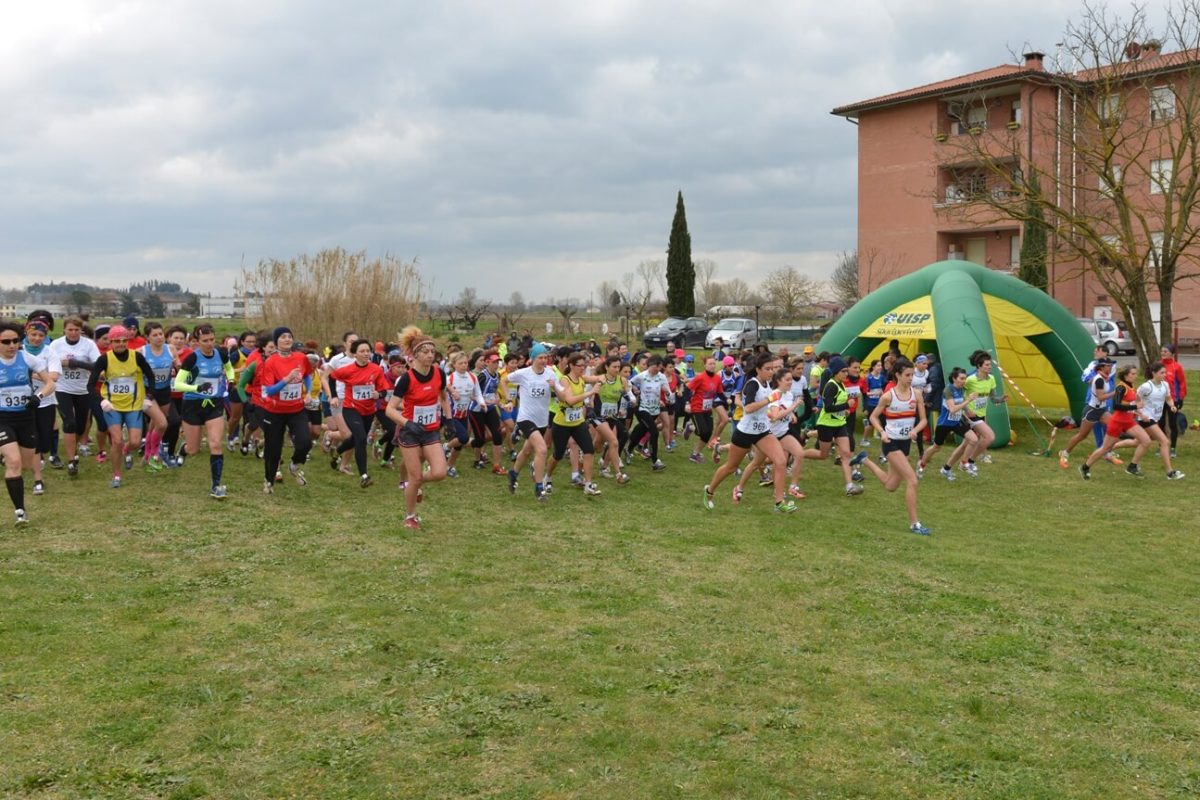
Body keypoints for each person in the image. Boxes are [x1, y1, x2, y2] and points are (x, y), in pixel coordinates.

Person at [702, 352, 799, 513]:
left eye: (772, 369)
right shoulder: (752, 384)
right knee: (731, 468)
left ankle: (779, 502)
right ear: (758, 369)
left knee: (781, 461)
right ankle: (709, 490)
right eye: (767, 369)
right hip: (745, 432)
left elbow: (777, 395)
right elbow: (748, 408)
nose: (771, 372)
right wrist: (769, 400)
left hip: (763, 431)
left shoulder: (769, 383)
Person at [385, 326, 451, 529]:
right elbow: (390, 409)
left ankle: (416, 485)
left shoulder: (439, 373)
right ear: (415, 355)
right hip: (410, 432)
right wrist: (408, 423)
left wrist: (449, 420)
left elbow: (444, 398)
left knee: (440, 472)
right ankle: (410, 516)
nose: (430, 355)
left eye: (432, 352)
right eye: (425, 352)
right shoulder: (406, 379)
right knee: (414, 478)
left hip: (430, 430)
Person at [857, 358, 931, 534]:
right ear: (897, 375)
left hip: (905, 444)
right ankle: (915, 524)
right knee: (912, 480)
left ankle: (864, 460)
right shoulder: (888, 396)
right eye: (907, 375)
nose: (910, 378)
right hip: (890, 443)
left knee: (891, 486)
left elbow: (924, 420)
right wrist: (882, 432)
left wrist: (915, 430)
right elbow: (874, 417)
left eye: (912, 375)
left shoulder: (917, 394)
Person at [0, 322, 57, 525]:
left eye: (15, 340)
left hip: (26, 418)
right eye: (6, 341)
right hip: (2, 419)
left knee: (23, 465)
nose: (12, 345)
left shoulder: (26, 357)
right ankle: (20, 511)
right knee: (14, 462)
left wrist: (38, 396)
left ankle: (4, 456)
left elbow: (50, 382)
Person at [89, 325, 158, 489]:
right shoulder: (104, 359)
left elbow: (150, 376)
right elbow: (90, 385)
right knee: (117, 441)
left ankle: (126, 452)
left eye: (123, 340)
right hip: (112, 406)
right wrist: (102, 401)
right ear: (111, 342)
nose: (120, 344)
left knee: (134, 442)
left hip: (133, 405)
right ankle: (117, 475)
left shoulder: (137, 357)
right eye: (116, 341)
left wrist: (149, 396)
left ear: (128, 341)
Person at [172, 324, 235, 499]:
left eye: (211, 340)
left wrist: (230, 378)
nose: (209, 344)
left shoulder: (221, 353)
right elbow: (177, 384)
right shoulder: (192, 358)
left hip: (214, 404)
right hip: (192, 405)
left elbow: (228, 367)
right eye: (204, 341)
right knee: (194, 449)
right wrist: (196, 387)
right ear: (196, 341)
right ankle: (184, 449)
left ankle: (216, 486)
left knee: (215, 443)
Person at [322, 338, 389, 488]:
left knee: (357, 439)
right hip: (351, 408)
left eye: (368, 351)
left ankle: (338, 452)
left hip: (369, 410)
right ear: (355, 354)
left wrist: (379, 395)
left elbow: (384, 389)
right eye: (362, 351)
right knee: (360, 438)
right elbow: (331, 379)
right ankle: (364, 475)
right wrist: (332, 396)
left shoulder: (376, 369)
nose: (366, 354)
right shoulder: (347, 370)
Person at [256, 326, 315, 493]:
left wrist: (308, 392)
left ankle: (295, 465)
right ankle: (269, 480)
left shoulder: (301, 357)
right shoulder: (271, 362)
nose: (287, 339)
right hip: (274, 411)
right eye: (283, 337)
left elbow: (307, 376)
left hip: (296, 409)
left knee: (305, 442)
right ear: (276, 342)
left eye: (289, 336)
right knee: (273, 449)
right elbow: (269, 391)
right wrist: (286, 380)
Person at [801, 356, 869, 495]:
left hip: (839, 424)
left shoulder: (841, 384)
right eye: (843, 371)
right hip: (826, 424)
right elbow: (828, 407)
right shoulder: (831, 385)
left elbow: (836, 406)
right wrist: (846, 405)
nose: (846, 373)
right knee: (823, 455)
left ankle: (849, 486)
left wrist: (844, 411)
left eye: (846, 371)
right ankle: (798, 454)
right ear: (836, 372)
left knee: (846, 453)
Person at [1080, 364, 1160, 480]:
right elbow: (1116, 406)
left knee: (1146, 441)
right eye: (1133, 374)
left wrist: (1141, 414)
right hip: (1117, 422)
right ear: (1126, 375)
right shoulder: (1120, 388)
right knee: (1105, 449)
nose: (1135, 376)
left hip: (1128, 422)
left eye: (1135, 373)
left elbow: (1131, 404)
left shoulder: (1131, 386)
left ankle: (1132, 466)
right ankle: (1085, 467)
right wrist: (1135, 407)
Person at [46, 316, 101, 477]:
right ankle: (71, 461)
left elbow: (98, 365)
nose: (73, 333)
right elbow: (49, 364)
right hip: (62, 389)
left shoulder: (89, 344)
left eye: (76, 330)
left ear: (81, 331)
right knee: (69, 422)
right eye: (70, 329)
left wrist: (76, 363)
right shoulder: (56, 344)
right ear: (64, 330)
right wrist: (59, 364)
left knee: (81, 426)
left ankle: (73, 446)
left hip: (83, 390)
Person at [504, 343, 558, 500]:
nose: (543, 360)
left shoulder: (550, 374)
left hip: (541, 420)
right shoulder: (523, 373)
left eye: (546, 357)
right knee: (541, 450)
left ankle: (513, 473)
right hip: (525, 418)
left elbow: (560, 391)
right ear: (533, 358)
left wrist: (556, 388)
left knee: (527, 451)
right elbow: (504, 381)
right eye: (540, 357)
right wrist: (509, 398)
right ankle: (539, 487)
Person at [917, 366, 979, 480]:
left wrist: (968, 412)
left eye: (965, 378)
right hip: (944, 424)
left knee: (973, 439)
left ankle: (964, 463)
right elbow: (953, 409)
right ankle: (921, 465)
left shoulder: (961, 389)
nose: (964, 381)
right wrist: (969, 400)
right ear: (954, 379)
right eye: (961, 378)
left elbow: (960, 403)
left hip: (956, 422)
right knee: (936, 447)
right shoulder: (948, 390)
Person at [21, 320, 62, 487]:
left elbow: (54, 378)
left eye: (41, 335)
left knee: (44, 442)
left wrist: (33, 374)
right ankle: (37, 478)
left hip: (46, 401)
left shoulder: (49, 352)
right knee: (33, 439)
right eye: (33, 335)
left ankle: (36, 457)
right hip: (24, 403)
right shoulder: (18, 351)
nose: (37, 338)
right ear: (26, 334)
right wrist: (43, 375)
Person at [1133, 362, 1184, 479]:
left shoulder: (1165, 385)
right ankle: (1170, 472)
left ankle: (1111, 448)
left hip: (1154, 418)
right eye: (1162, 373)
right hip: (1146, 419)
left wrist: (1172, 405)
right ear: (1153, 373)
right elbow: (1134, 402)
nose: (1165, 375)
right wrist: (1140, 414)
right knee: (1165, 442)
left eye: (1165, 372)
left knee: (1136, 442)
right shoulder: (1146, 387)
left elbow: (1168, 398)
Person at [961, 350, 1009, 472]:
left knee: (967, 443)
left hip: (981, 414)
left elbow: (993, 399)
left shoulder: (991, 379)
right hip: (970, 415)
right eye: (986, 365)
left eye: (990, 365)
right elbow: (958, 396)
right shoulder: (970, 380)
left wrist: (1001, 399)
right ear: (979, 366)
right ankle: (970, 461)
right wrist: (966, 409)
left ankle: (953, 466)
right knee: (989, 437)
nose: (989, 367)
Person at [1159, 344, 1187, 456]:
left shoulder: (1177, 367)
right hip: (1159, 400)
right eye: (1162, 351)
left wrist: (1180, 398)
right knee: (1160, 424)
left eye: (1165, 351)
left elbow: (1182, 383)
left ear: (1171, 353)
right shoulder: (1158, 365)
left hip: (1173, 400)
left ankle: (1172, 448)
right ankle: (1162, 446)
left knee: (1172, 424)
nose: (1163, 353)